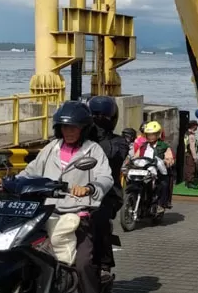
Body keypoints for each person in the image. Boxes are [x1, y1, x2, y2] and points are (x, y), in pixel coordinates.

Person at [0, 101, 114, 293]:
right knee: (21, 250)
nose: (68, 131)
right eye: (65, 126)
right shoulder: (51, 148)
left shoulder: (93, 149)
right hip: (45, 213)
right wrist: (5, 181)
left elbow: (105, 177)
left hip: (77, 215)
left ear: (83, 128)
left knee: (83, 264)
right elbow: (31, 172)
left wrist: (89, 188)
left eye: (73, 127)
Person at [87, 96, 129, 280]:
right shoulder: (79, 137)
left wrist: (93, 134)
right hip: (74, 190)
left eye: (101, 116)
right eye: (94, 115)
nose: (98, 119)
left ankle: (104, 265)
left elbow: (112, 155)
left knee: (99, 218)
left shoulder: (118, 142)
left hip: (107, 193)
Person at [127, 120, 174, 213]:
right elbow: (136, 156)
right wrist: (129, 161)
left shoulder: (164, 146)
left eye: (152, 134)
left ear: (157, 134)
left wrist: (168, 160)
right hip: (143, 170)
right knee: (132, 180)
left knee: (164, 183)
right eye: (148, 134)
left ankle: (161, 204)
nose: (150, 136)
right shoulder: (143, 145)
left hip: (157, 170)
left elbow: (169, 156)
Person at [183, 120, 198, 189]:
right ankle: (190, 182)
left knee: (187, 167)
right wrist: (195, 157)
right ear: (193, 126)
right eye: (196, 125)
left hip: (186, 153)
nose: (197, 127)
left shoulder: (186, 133)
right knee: (191, 168)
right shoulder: (191, 135)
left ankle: (187, 181)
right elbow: (192, 147)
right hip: (190, 154)